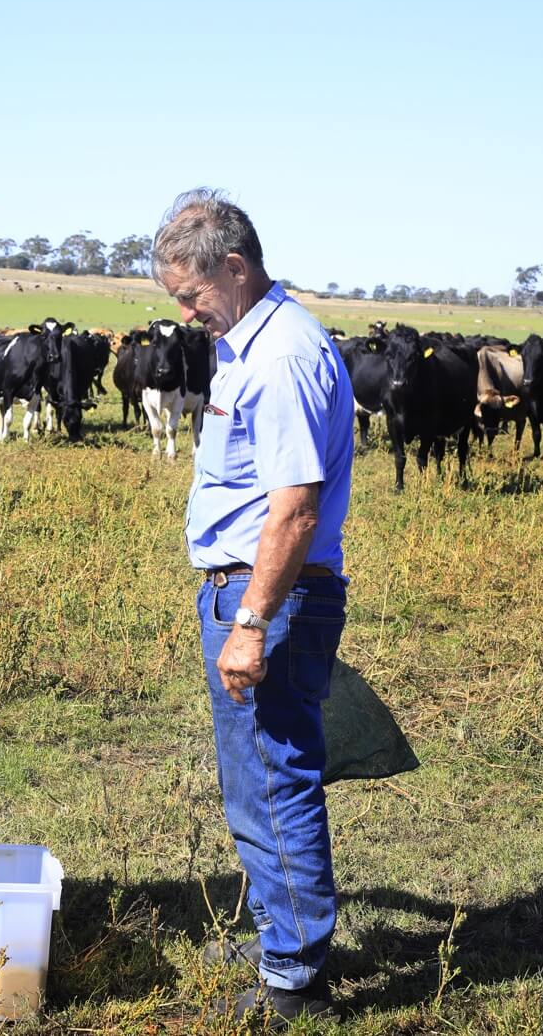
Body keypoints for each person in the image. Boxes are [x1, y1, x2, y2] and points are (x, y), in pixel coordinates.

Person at [153, 188, 354, 1025]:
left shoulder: (279, 357)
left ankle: (294, 977)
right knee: (256, 779)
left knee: (271, 781)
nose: (186, 314)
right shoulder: (251, 344)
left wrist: (250, 622)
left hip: (268, 595)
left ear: (234, 267)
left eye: (191, 295)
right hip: (253, 590)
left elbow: (295, 509)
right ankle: (283, 932)